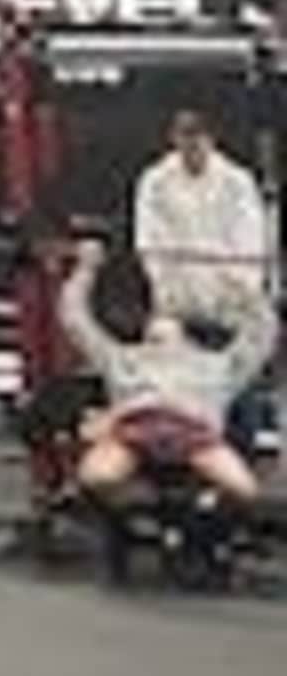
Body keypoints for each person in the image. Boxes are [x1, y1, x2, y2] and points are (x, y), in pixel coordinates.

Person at [60, 234, 269, 527]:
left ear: (185, 332)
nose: (162, 319)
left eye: (170, 318)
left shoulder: (217, 364)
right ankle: (145, 512)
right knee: (95, 477)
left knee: (244, 489)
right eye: (156, 319)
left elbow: (261, 337)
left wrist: (247, 293)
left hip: (195, 434)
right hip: (134, 430)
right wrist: (86, 271)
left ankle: (200, 516)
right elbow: (76, 322)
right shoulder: (122, 357)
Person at [130, 102, 273, 344]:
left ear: (211, 138)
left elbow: (251, 239)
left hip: (230, 296)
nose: (192, 142)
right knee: (162, 342)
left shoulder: (238, 181)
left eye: (199, 134)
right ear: (173, 137)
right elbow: (148, 239)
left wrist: (238, 287)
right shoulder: (154, 181)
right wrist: (167, 286)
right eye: (185, 134)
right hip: (175, 297)